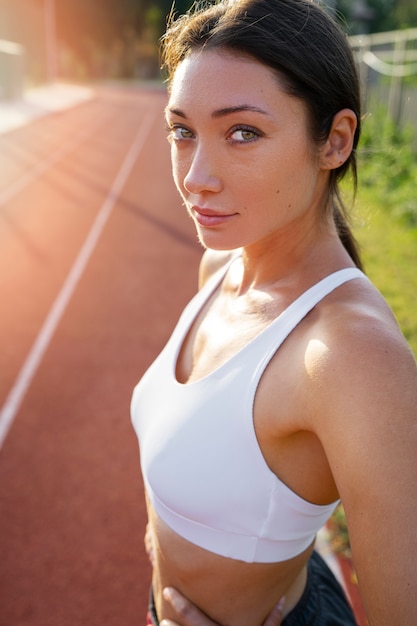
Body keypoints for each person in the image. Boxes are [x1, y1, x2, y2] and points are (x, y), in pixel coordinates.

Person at [130, 1, 417, 624]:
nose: (196, 178)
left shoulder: (351, 356)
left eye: (243, 133)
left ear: (334, 141)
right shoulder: (222, 267)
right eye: (183, 130)